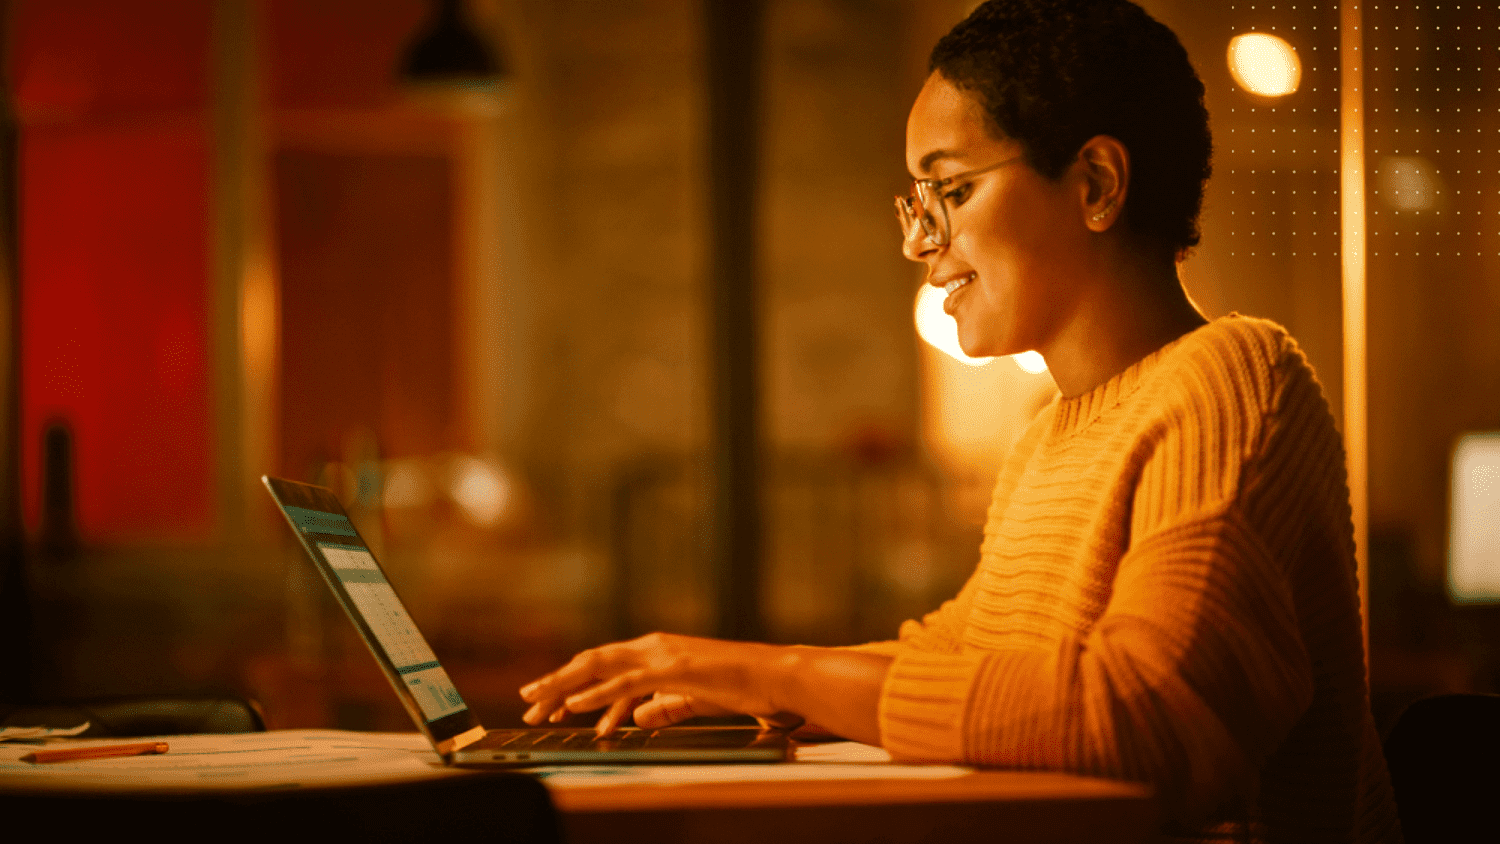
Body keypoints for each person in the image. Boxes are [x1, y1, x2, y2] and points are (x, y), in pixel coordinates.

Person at [520, 1, 1402, 839]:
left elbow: (1148, 718)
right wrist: (745, 685)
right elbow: (961, 658)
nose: (919, 242)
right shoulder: (1051, 435)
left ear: (1095, 182)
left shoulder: (1235, 377)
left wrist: (774, 673)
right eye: (916, 199)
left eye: (950, 190)